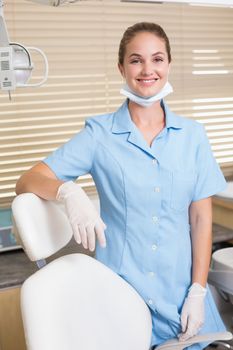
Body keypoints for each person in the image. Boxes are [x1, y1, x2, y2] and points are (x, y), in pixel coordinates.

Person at [16, 22, 227, 350]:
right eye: (135, 60)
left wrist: (198, 291)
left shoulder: (193, 137)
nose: (147, 70)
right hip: (122, 299)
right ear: (121, 67)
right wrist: (66, 191)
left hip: (184, 299)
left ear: (169, 64)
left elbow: (200, 222)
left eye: (157, 59)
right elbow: (28, 180)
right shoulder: (99, 135)